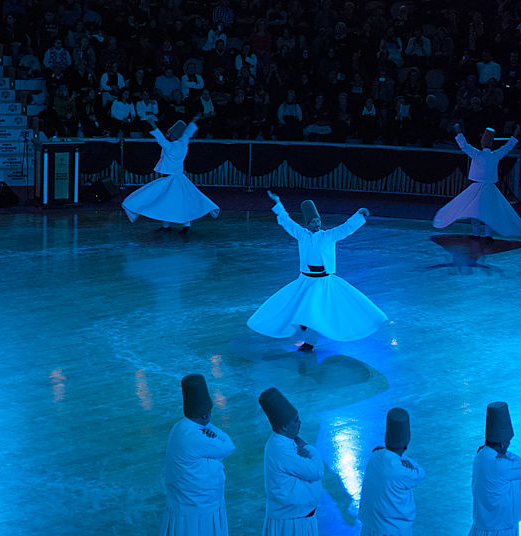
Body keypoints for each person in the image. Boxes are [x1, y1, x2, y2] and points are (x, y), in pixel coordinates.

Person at [247, 191, 388, 351]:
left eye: (318, 220)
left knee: (315, 310)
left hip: (323, 282)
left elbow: (346, 228)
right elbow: (286, 221)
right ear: (308, 224)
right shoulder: (302, 235)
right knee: (297, 306)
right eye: (313, 221)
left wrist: (359, 215)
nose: (317, 223)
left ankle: (309, 341)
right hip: (305, 280)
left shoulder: (328, 236)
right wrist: (278, 203)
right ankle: (301, 325)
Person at [159, 374, 235, 536]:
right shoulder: (198, 437)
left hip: (184, 501)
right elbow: (228, 447)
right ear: (205, 415)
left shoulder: (178, 427)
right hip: (199, 505)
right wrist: (213, 430)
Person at [121, 116, 219, 235]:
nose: (167, 134)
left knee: (166, 201)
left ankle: (169, 225)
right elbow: (187, 134)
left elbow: (161, 139)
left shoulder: (170, 146)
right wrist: (193, 121)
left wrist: (153, 125)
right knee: (180, 201)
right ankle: (183, 225)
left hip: (170, 180)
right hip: (179, 179)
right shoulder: (183, 144)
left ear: (173, 135)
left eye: (169, 133)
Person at [433, 125, 521, 239]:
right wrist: (515, 134)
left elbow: (464, 146)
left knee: (475, 212)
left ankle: (477, 233)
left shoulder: (477, 154)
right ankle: (488, 235)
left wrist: (458, 131)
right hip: (489, 188)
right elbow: (508, 147)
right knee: (487, 212)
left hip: (478, 187)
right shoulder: (494, 155)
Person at [258, 387, 324, 536]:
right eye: (295, 420)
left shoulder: (285, 441)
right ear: (285, 426)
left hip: (299, 518)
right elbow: (316, 471)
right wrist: (309, 448)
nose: (299, 422)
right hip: (292, 525)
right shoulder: (280, 449)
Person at [359, 408, 425, 536]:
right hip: (393, 531)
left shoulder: (374, 457)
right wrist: (407, 461)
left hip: (370, 528)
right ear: (406, 444)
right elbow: (420, 473)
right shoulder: (401, 471)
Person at [469, 402, 521, 536]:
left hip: (482, 525)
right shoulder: (501, 464)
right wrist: (505, 453)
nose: (509, 445)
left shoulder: (479, 456)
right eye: (508, 442)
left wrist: (496, 451)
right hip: (502, 527)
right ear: (502, 443)